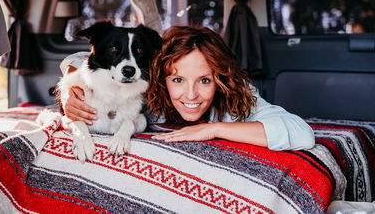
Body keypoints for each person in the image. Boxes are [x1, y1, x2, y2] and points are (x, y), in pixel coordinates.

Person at [61, 25, 315, 151]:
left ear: (221, 79)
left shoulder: (238, 98)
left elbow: (301, 132)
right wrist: (68, 92)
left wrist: (214, 129)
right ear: (162, 79)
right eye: (178, 80)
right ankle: (153, 25)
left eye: (205, 81)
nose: (191, 95)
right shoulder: (148, 87)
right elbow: (81, 59)